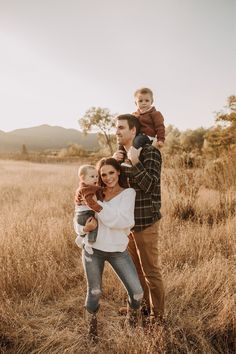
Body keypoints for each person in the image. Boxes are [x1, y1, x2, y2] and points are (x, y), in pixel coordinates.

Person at [74, 158, 143, 341]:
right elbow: (78, 216)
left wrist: (99, 206)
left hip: (117, 250)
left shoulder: (128, 193)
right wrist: (83, 229)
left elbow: (125, 221)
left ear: (118, 172)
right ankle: (91, 332)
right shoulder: (95, 191)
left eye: (111, 172)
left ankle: (131, 324)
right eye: (103, 174)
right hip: (93, 249)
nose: (107, 178)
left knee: (137, 293)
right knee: (95, 292)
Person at [114, 114, 165, 325]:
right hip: (128, 224)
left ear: (133, 131)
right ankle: (142, 307)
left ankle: (158, 317)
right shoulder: (121, 156)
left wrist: (135, 161)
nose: (117, 131)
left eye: (121, 128)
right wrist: (114, 163)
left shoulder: (150, 152)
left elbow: (152, 186)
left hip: (145, 222)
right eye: (116, 128)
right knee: (134, 270)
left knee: (150, 271)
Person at [118, 87, 165, 165]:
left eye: (147, 100)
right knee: (124, 140)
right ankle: (120, 157)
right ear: (136, 103)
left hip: (148, 136)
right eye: (140, 101)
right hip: (137, 135)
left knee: (137, 141)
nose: (144, 103)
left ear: (151, 101)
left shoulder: (155, 114)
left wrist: (161, 139)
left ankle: (131, 161)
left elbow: (160, 126)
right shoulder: (135, 115)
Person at [74, 164, 103, 253]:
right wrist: (99, 209)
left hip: (81, 214)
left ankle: (80, 237)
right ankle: (89, 243)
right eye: (92, 176)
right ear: (83, 178)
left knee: (90, 226)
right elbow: (89, 201)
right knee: (94, 227)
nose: (95, 179)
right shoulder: (85, 189)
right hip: (85, 214)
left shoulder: (85, 187)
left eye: (97, 176)